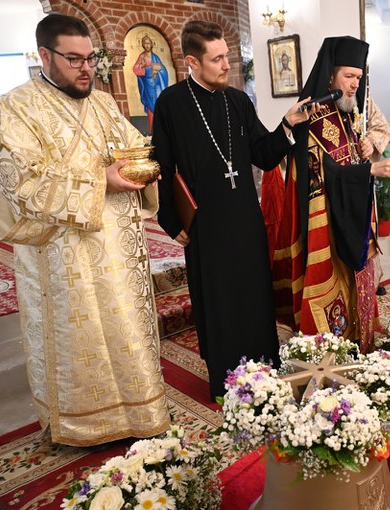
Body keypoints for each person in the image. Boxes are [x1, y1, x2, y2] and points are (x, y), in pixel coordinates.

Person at [0, 13, 169, 446]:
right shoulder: (14, 107)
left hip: (118, 247)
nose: (86, 68)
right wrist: (99, 179)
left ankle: (140, 412)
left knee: (126, 330)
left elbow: (134, 148)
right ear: (45, 55)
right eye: (74, 59)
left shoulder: (103, 103)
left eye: (91, 58)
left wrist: (144, 166)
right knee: (80, 338)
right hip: (63, 255)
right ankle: (81, 424)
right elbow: (20, 183)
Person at [152, 21, 319, 400]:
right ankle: (227, 381)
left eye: (227, 56)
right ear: (192, 62)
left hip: (245, 218)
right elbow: (162, 165)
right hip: (206, 224)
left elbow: (262, 153)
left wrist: (287, 125)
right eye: (217, 59)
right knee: (220, 302)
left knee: (254, 296)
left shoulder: (238, 101)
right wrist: (171, 220)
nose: (228, 65)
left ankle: (264, 369)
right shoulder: (171, 104)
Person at [272, 36, 390, 353]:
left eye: (359, 77)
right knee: (335, 281)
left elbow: (353, 154)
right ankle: (334, 348)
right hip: (327, 218)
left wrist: (367, 146)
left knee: (358, 278)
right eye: (349, 76)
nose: (356, 83)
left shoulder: (348, 110)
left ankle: (359, 338)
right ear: (330, 75)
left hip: (353, 211)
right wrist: (370, 171)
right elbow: (324, 174)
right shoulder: (314, 116)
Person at [132, 34, 169, 131]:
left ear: (152, 44)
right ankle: (153, 129)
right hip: (147, 86)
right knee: (150, 106)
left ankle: (162, 128)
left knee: (159, 104)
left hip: (157, 85)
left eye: (148, 43)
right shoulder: (142, 56)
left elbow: (164, 71)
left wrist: (158, 69)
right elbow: (135, 69)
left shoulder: (155, 57)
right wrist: (145, 68)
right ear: (143, 45)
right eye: (145, 43)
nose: (147, 45)